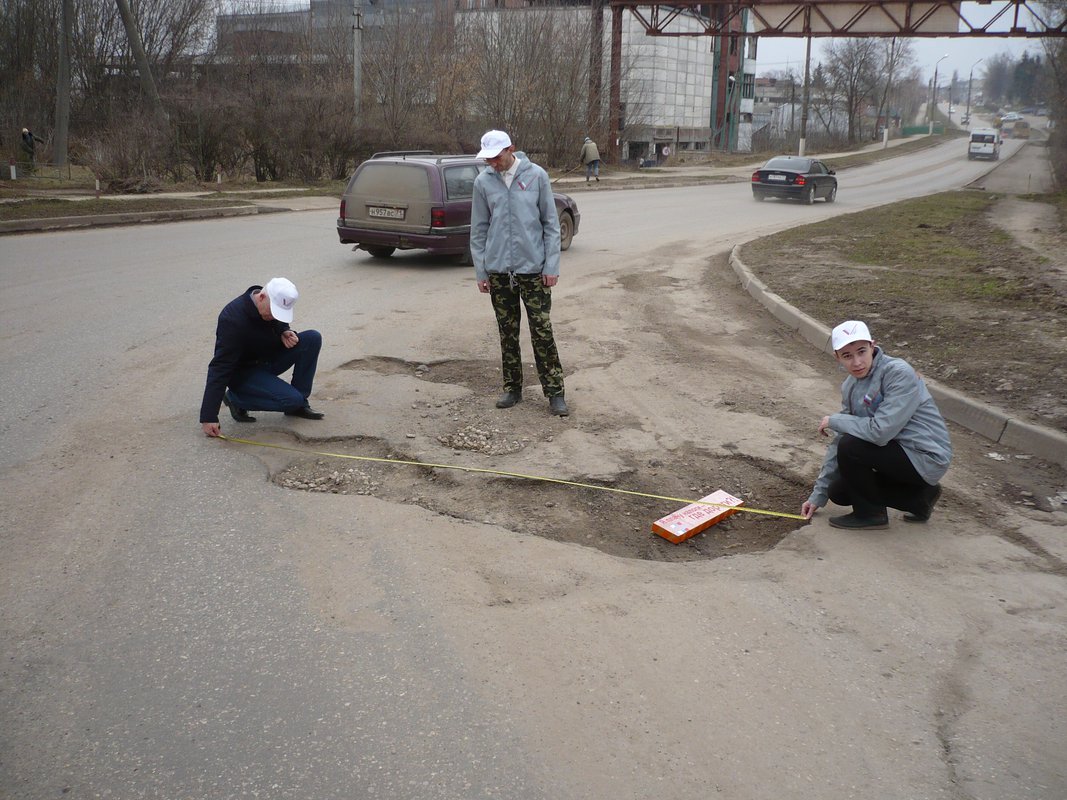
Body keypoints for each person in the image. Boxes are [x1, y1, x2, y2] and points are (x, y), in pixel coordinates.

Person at [801, 320, 952, 530]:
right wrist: (818, 496)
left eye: (861, 351)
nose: (856, 362)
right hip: (897, 454)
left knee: (851, 446)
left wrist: (835, 421)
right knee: (839, 491)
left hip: (925, 456)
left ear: (873, 346)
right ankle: (920, 498)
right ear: (837, 357)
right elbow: (840, 439)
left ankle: (871, 514)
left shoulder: (898, 372)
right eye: (847, 356)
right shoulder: (850, 386)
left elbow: (881, 432)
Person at [471, 129, 568, 416]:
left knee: (542, 331)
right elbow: (478, 229)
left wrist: (551, 266)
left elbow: (551, 225)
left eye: (496, 157)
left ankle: (555, 393)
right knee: (507, 332)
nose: (492, 163)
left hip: (534, 271)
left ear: (511, 149)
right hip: (499, 271)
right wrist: (482, 271)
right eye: (487, 158)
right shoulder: (483, 182)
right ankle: (512, 388)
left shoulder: (536, 176)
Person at [200, 278, 324, 437]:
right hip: (244, 372)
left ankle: (298, 405)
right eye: (274, 312)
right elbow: (220, 366)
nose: (275, 316)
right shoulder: (233, 319)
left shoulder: (268, 306)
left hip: (266, 359)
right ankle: (235, 399)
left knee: (312, 338)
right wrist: (209, 416)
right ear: (262, 297)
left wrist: (283, 331)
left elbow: (277, 322)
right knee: (291, 400)